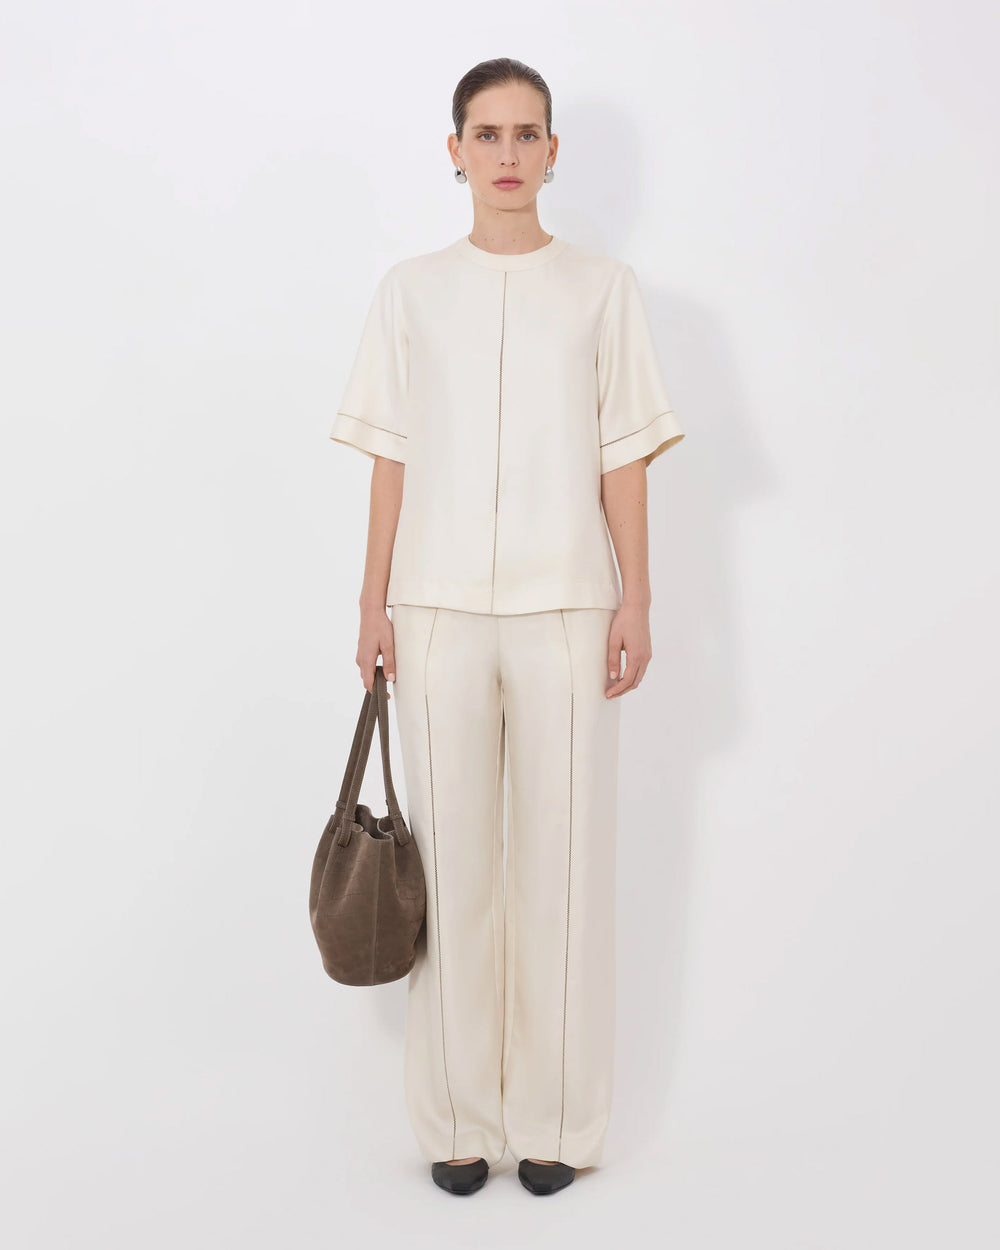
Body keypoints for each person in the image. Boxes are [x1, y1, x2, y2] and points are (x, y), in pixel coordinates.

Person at [328, 57, 685, 1197]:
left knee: (562, 866)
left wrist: (636, 596)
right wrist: (372, 602)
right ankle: (455, 1121)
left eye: (527, 133)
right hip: (434, 608)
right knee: (453, 868)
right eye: (487, 134)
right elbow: (390, 457)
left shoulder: (603, 289)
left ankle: (557, 1122)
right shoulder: (410, 291)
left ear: (553, 152)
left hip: (567, 604)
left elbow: (622, 455)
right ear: (454, 151)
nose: (508, 153)